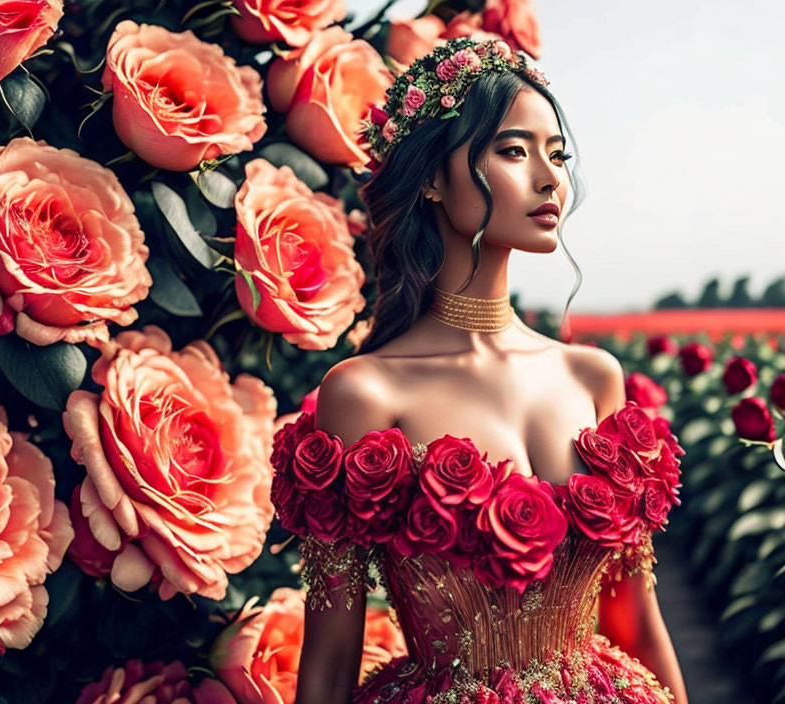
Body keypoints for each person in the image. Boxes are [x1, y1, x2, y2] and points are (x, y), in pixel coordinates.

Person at [269, 37, 689, 704]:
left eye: (558, 155)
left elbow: (635, 618)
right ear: (432, 177)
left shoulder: (593, 378)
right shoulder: (364, 393)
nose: (550, 178)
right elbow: (332, 657)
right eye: (514, 151)